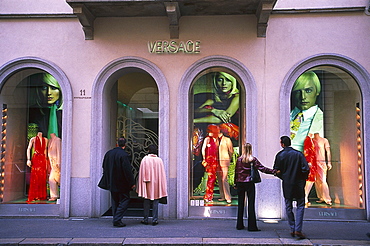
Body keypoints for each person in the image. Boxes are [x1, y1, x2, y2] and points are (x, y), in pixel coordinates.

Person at [273, 136, 310, 239]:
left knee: (288, 206)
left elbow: (276, 171)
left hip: (287, 183)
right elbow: (306, 169)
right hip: (298, 183)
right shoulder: (298, 154)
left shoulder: (280, 155)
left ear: (282, 144)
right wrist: (302, 179)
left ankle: (293, 228)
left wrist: (284, 177)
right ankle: (298, 229)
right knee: (300, 205)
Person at [234, 143, 275, 231]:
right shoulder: (252, 159)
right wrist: (274, 172)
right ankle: (252, 226)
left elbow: (236, 172)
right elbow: (262, 168)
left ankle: (239, 225)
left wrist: (235, 183)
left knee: (240, 204)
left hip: (240, 183)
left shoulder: (239, 160)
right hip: (249, 183)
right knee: (251, 204)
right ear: (250, 150)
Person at [98, 137, 135, 227]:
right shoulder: (124, 155)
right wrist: (132, 183)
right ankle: (117, 218)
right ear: (125, 145)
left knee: (114, 201)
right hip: (122, 182)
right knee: (125, 200)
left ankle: (116, 218)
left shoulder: (108, 154)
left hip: (111, 181)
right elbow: (127, 170)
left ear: (117, 144)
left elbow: (104, 166)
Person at [290, 71, 323, 152]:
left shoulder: (322, 119)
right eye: (298, 91)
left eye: (308, 91)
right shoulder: (286, 115)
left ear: (317, 91)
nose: (303, 97)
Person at [136, 145, 168, 226]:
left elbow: (141, 173)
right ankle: (155, 219)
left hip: (147, 183)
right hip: (156, 184)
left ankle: (145, 219)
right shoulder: (159, 160)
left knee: (146, 201)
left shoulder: (145, 159)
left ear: (148, 151)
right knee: (155, 202)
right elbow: (162, 174)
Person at [29, 73, 63, 139]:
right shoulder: (32, 112)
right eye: (44, 88)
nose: (48, 93)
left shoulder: (65, 113)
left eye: (53, 88)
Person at [26, 132, 48, 202]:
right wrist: (28, 159)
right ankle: (34, 195)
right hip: (36, 158)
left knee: (42, 176)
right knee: (35, 176)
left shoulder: (46, 140)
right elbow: (28, 148)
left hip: (43, 158)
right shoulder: (33, 139)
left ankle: (41, 195)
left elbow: (45, 150)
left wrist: (46, 160)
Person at [312, 133, 332, 205]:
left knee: (323, 180)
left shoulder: (324, 140)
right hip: (314, 163)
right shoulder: (311, 141)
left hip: (322, 162)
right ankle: (321, 197)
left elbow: (328, 152)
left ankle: (327, 198)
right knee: (316, 181)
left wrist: (329, 162)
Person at [201, 124, 220, 203]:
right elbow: (203, 150)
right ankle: (208, 195)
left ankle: (209, 195)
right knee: (210, 178)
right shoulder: (207, 139)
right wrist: (204, 159)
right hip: (209, 161)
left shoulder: (216, 139)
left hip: (215, 161)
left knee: (212, 178)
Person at [216, 127, 233, 203]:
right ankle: (222, 196)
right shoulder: (215, 140)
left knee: (224, 179)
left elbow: (231, 150)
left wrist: (229, 158)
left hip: (224, 161)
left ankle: (228, 197)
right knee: (219, 179)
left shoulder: (227, 140)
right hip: (217, 161)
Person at [47, 133, 61, 201]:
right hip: (52, 163)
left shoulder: (58, 140)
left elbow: (59, 151)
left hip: (56, 163)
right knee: (52, 179)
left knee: (56, 178)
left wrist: (59, 162)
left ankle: (56, 195)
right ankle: (54, 195)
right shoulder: (49, 141)